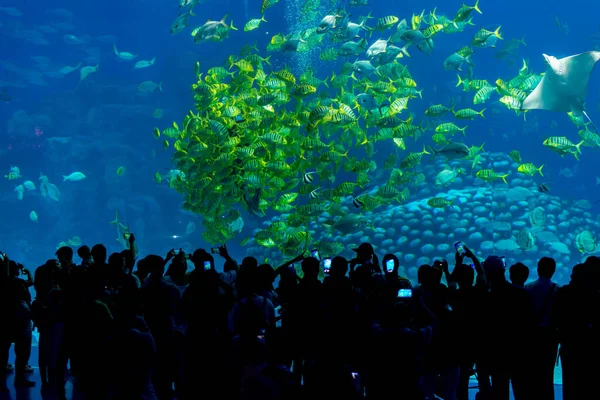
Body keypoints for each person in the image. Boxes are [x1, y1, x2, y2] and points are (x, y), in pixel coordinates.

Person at [526, 257, 559, 400]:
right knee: (547, 372)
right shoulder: (558, 290)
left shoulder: (528, 288)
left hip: (532, 335)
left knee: (532, 371)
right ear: (553, 271)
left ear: (538, 269)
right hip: (550, 336)